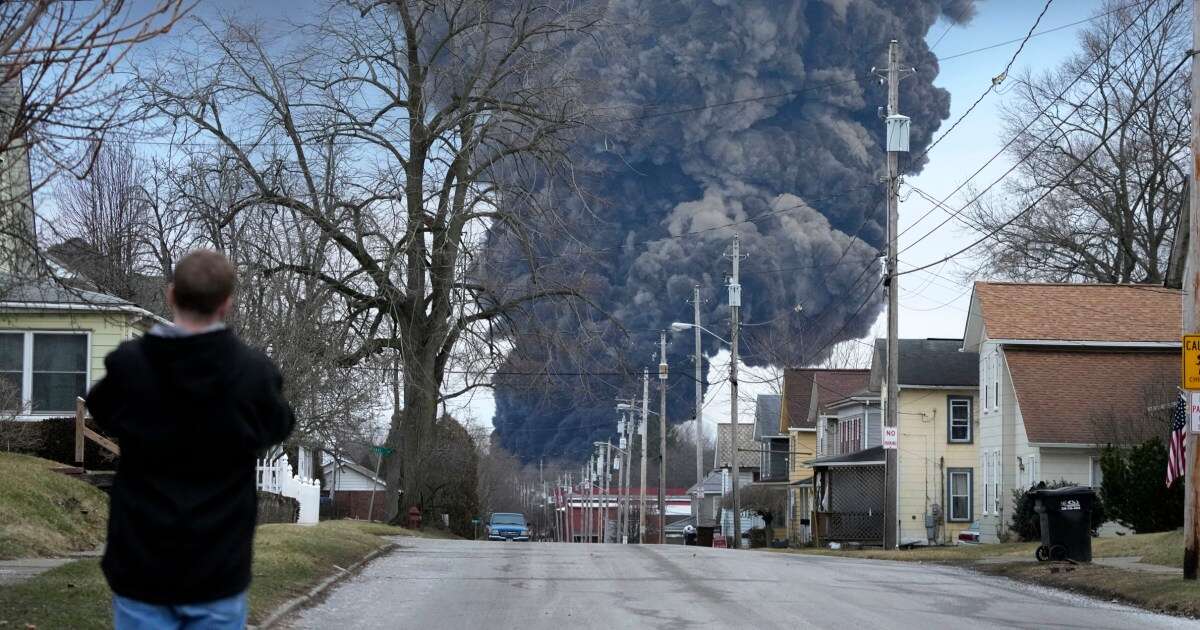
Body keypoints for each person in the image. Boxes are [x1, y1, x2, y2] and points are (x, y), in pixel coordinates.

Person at [86, 249, 295, 630]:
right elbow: (279, 425)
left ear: (170, 295)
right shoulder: (253, 375)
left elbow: (101, 408)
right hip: (217, 569)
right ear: (227, 303)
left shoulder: (131, 366)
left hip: (141, 564)